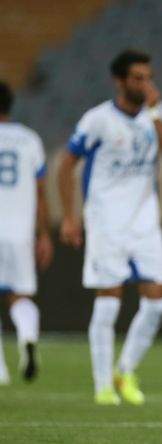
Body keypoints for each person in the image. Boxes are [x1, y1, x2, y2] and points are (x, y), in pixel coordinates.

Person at [58, 49, 162, 405]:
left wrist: (156, 116)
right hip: (106, 222)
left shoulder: (156, 114)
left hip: (145, 222)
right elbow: (65, 165)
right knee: (109, 303)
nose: (145, 84)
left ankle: (124, 369)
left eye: (149, 77)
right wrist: (69, 216)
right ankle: (102, 386)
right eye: (138, 78)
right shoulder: (98, 120)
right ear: (119, 81)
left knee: (157, 302)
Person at [0, 81, 53, 385]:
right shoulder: (29, 140)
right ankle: (28, 335)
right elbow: (40, 191)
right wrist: (44, 235)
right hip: (20, 231)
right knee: (21, 296)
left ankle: (0, 370)